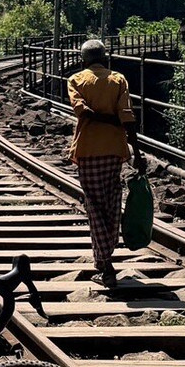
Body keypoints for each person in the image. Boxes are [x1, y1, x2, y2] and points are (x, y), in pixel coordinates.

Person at [67, 39, 145, 285]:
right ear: (105, 57)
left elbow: (83, 112)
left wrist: (105, 119)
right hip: (114, 149)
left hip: (88, 150)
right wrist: (137, 150)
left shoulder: (76, 80)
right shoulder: (118, 80)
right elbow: (127, 117)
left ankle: (106, 264)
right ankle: (103, 258)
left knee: (94, 205)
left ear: (83, 60)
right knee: (111, 204)